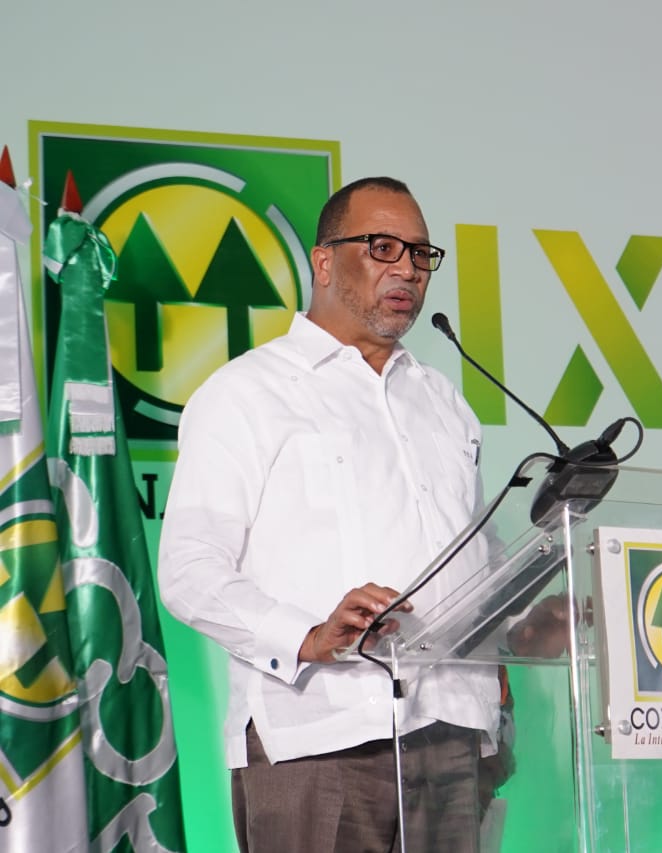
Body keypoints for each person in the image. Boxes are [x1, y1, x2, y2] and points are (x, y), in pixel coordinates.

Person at [158, 176, 500, 853]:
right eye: (382, 247)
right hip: (319, 736)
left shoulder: (444, 403)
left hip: (451, 738)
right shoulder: (246, 393)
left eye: (420, 253)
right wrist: (308, 635)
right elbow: (189, 570)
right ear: (323, 261)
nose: (407, 268)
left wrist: (523, 625)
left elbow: (478, 562)